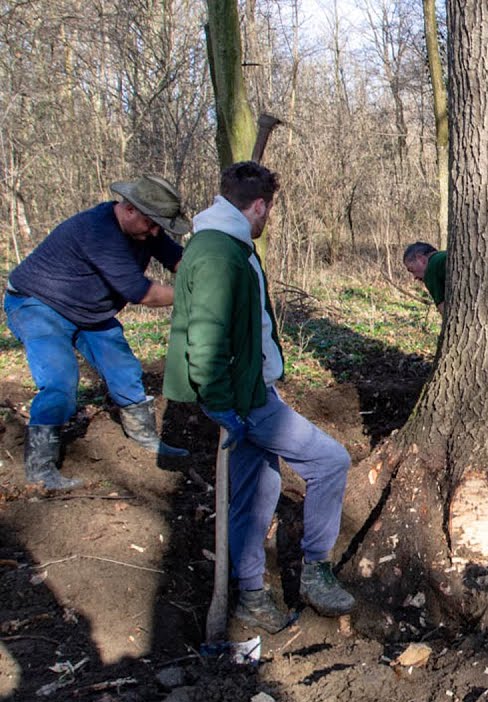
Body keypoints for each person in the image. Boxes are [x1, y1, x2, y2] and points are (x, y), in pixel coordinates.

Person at [164, 161, 356, 632]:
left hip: (246, 391)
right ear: (258, 206)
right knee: (330, 461)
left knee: (258, 491)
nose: (269, 218)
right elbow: (205, 340)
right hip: (244, 399)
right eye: (268, 210)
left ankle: (250, 594)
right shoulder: (217, 255)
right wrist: (224, 404)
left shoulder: (224, 243)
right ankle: (316, 571)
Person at [5, 175, 191, 491]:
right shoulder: (98, 231)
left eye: (160, 225)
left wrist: (209, 273)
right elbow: (141, 292)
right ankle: (40, 470)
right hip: (38, 304)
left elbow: (180, 261)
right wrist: (196, 294)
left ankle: (145, 438)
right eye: (151, 223)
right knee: (60, 381)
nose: (156, 231)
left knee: (125, 371)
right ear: (129, 209)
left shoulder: (147, 230)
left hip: (90, 310)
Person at [403, 241, 447, 316]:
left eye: (412, 270)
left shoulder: (431, 269)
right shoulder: (443, 256)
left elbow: (446, 313)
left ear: (421, 259)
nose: (415, 277)